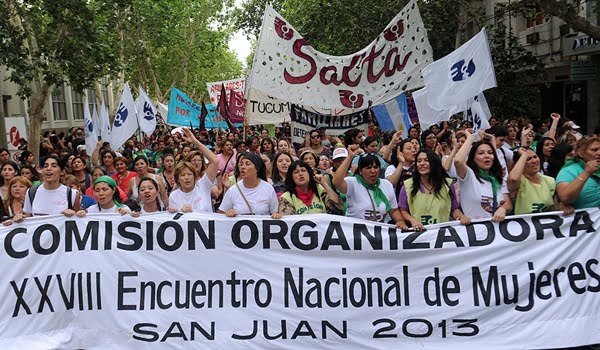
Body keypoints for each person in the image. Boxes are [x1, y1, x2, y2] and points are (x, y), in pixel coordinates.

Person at [332, 145, 407, 228]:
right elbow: (336, 181)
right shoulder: (352, 182)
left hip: (379, 233)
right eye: (368, 168)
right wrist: (350, 157)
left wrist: (400, 221)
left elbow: (393, 210)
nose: (373, 171)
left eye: (376, 167)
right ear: (360, 171)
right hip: (355, 233)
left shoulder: (387, 185)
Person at [399, 150, 469, 230]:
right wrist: (412, 221)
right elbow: (402, 210)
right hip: (418, 235)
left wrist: (461, 217)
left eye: (426, 160)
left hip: (441, 234)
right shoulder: (407, 186)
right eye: (419, 161)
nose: (422, 164)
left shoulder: (447, 184)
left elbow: (454, 209)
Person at [454, 130, 512, 221]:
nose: (487, 156)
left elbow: (508, 203)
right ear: (473, 157)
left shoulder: (498, 179)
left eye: (490, 153)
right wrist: (470, 138)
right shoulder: (468, 176)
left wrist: (503, 209)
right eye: (481, 153)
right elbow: (458, 161)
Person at [508, 147, 571, 215]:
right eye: (528, 159)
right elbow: (513, 179)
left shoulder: (550, 181)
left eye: (535, 157)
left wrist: (561, 207)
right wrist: (524, 155)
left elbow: (552, 207)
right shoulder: (519, 181)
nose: (534, 161)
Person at [168, 128, 218, 213]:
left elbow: (214, 161)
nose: (187, 178)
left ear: (194, 176)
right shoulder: (173, 196)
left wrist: (195, 141)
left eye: (189, 174)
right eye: (183, 175)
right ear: (178, 179)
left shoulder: (203, 185)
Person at [17, 155, 81, 220]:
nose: (48, 169)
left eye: (54, 166)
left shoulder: (72, 194)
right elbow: (27, 217)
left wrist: (73, 214)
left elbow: (79, 219)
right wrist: (19, 218)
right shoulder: (31, 192)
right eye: (45, 166)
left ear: (61, 172)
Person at [218, 153, 281, 218]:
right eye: (241, 164)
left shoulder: (268, 189)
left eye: (247, 164)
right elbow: (220, 215)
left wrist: (276, 215)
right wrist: (227, 213)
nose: (242, 167)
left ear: (257, 168)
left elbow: (275, 212)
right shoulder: (233, 190)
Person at [556, 136, 600, 209]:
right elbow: (565, 198)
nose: (599, 153)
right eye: (594, 150)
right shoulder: (568, 171)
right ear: (580, 153)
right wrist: (586, 173)